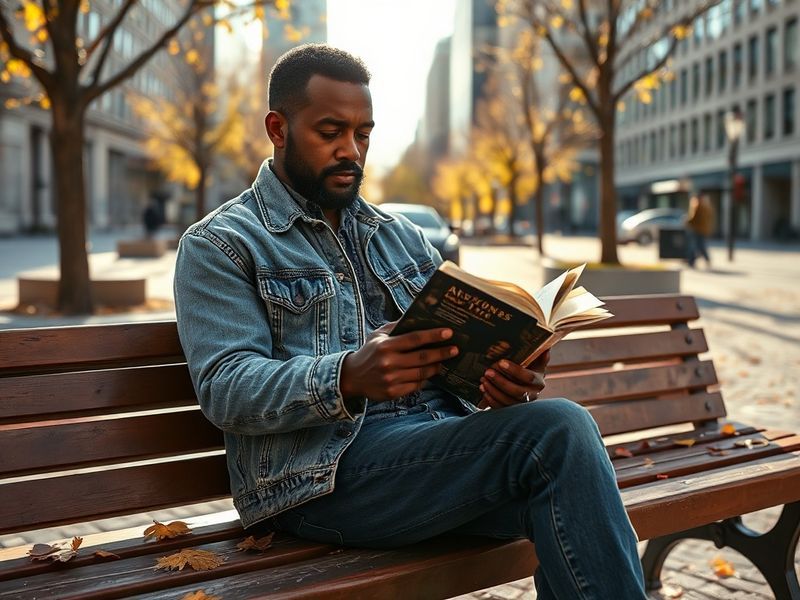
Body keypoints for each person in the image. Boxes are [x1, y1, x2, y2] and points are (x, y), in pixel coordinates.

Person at [173, 44, 646, 599]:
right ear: (278, 129)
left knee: (571, 490)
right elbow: (226, 387)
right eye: (331, 132)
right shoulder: (222, 244)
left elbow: (453, 363)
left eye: (364, 133)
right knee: (561, 435)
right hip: (317, 483)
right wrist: (346, 375)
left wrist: (500, 385)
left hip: (428, 455)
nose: (352, 150)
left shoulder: (401, 236)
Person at [685, 193, 715, 268]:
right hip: (704, 230)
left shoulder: (697, 205)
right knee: (700, 246)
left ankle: (691, 262)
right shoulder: (708, 206)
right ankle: (705, 260)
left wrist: (686, 221)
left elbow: (693, 217)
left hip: (697, 229)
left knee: (694, 246)